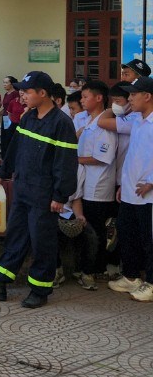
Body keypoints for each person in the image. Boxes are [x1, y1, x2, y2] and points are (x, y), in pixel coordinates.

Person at [0, 70, 78, 308]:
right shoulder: (28, 118)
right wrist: (1, 174)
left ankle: (40, 290)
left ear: (43, 93)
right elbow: (15, 148)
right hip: (23, 188)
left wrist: (60, 195)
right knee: (15, 236)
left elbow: (66, 163)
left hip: (44, 194)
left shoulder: (62, 123)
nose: (22, 96)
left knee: (42, 242)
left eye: (27, 92)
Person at [99, 76, 153, 300]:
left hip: (148, 194)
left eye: (133, 94)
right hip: (131, 190)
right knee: (128, 234)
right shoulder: (137, 120)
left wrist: (151, 180)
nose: (129, 99)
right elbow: (134, 155)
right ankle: (131, 276)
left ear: (147, 96)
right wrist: (124, 184)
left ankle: (151, 283)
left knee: (149, 239)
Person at [71, 80, 117, 291]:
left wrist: (74, 160)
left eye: (85, 96)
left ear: (99, 98)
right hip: (84, 183)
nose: (82, 100)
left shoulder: (104, 126)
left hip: (98, 186)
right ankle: (85, 267)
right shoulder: (87, 123)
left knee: (94, 230)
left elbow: (101, 157)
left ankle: (92, 269)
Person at [0, 76, 25, 159]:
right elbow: (6, 107)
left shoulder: (15, 93)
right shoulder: (6, 94)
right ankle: (4, 157)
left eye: (6, 82)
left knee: (10, 137)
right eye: (4, 82)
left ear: (12, 84)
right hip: (6, 117)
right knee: (5, 137)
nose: (4, 84)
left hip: (13, 119)